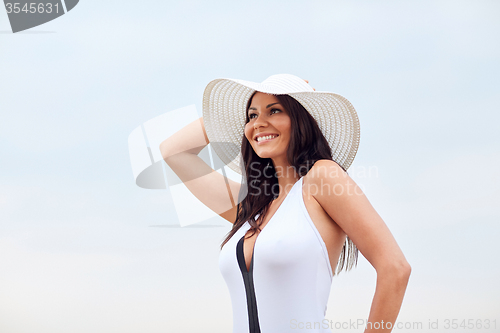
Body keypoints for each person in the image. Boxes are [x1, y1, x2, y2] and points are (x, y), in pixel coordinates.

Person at [159, 74, 411, 333]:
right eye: (251, 115)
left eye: (274, 110)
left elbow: (395, 268)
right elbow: (173, 152)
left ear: (301, 119)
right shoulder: (251, 207)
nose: (259, 123)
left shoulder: (322, 177)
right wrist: (231, 115)